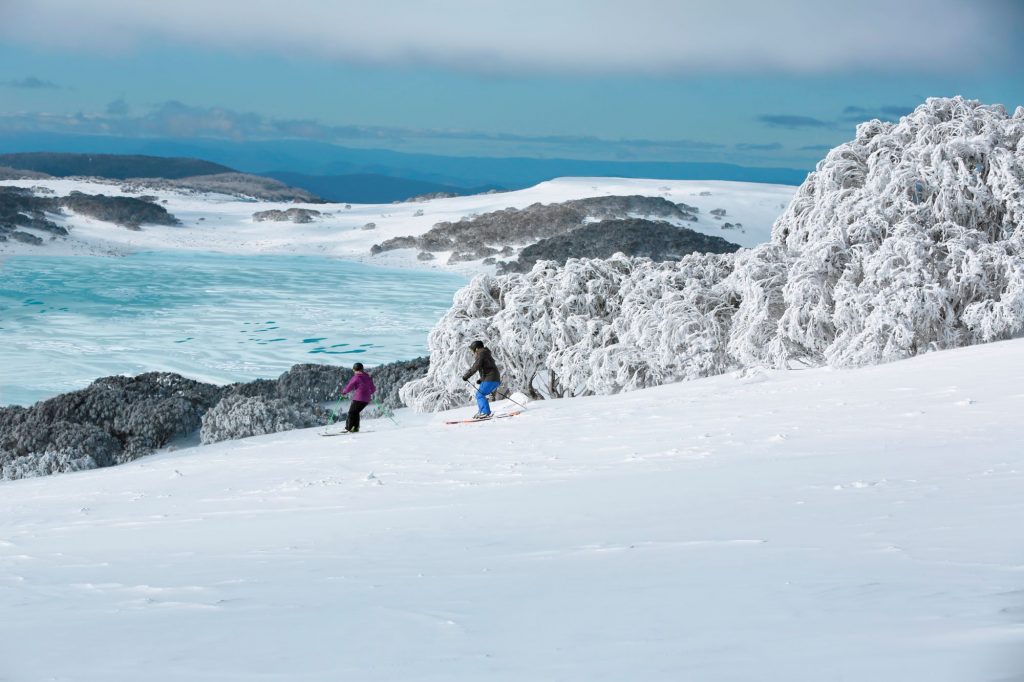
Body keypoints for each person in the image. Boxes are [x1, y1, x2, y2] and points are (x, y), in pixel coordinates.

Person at [462, 340, 501, 419]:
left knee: (480, 394)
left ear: (476, 349)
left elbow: (476, 366)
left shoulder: (481, 354)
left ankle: (485, 412)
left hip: (491, 378)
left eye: (472, 350)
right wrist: (481, 379)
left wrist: (466, 375)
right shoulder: (485, 353)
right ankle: (482, 411)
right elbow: (488, 367)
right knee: (479, 394)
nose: (473, 352)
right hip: (493, 378)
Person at [340, 362, 376, 432]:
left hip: (359, 398)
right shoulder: (368, 377)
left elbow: (349, 387)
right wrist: (368, 393)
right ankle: (355, 428)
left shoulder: (356, 377)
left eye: (354, 370)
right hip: (366, 400)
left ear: (355, 370)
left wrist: (343, 392)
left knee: (351, 413)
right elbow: (373, 389)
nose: (354, 372)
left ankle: (349, 428)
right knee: (355, 412)